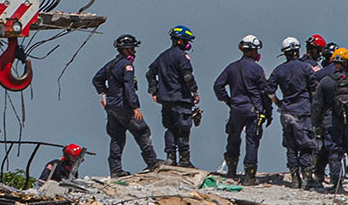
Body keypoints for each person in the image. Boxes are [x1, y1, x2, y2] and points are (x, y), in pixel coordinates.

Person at [92, 34, 163, 178]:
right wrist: (135, 107)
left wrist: (106, 95)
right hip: (124, 106)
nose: (134, 52)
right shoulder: (127, 66)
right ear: (125, 50)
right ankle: (152, 162)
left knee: (117, 137)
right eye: (132, 49)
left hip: (111, 106)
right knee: (142, 131)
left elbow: (96, 80)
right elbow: (129, 88)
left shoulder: (111, 64)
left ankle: (115, 169)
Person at [213, 35, 272, 185]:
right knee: (252, 141)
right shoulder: (257, 69)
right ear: (253, 51)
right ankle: (249, 177)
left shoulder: (232, 67)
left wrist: (228, 100)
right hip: (253, 111)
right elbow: (265, 93)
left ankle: (231, 172)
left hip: (236, 109)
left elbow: (218, 85)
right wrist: (267, 112)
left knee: (233, 139)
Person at [312, 48, 348, 196]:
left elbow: (317, 105)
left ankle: (336, 184)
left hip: (332, 123)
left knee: (334, 153)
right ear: (347, 64)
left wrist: (317, 124)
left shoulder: (325, 82)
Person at [266, 37, 318, 189]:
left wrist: (279, 103)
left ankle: (295, 179)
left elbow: (269, 91)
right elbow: (314, 90)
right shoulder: (306, 68)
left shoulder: (278, 70)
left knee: (291, 147)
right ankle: (307, 179)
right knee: (306, 146)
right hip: (303, 111)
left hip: (286, 112)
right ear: (297, 50)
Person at [146, 25, 200, 167]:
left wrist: (154, 91)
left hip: (165, 100)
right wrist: (194, 92)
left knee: (170, 128)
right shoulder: (182, 57)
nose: (188, 44)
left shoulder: (162, 56)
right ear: (179, 41)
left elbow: (150, 73)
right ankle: (184, 160)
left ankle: (170, 158)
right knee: (183, 129)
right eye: (186, 41)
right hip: (181, 99)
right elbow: (188, 77)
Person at [310, 42, 338, 185]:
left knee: (321, 147)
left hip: (324, 116)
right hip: (341, 118)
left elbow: (315, 99)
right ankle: (336, 179)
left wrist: (314, 119)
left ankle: (318, 174)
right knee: (337, 149)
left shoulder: (321, 75)